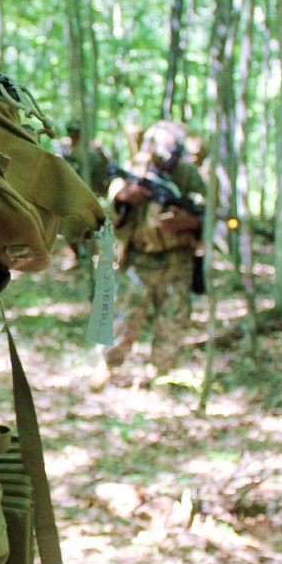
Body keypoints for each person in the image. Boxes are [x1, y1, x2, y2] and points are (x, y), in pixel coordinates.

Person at [94, 119, 205, 383]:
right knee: (125, 317)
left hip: (178, 259)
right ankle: (109, 366)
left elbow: (210, 214)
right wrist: (123, 201)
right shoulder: (133, 171)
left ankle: (161, 374)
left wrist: (190, 223)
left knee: (172, 320)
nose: (167, 161)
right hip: (139, 259)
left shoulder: (189, 176)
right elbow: (107, 218)